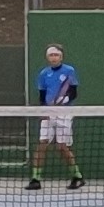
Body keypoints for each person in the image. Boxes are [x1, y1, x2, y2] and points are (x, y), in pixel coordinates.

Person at [28, 43, 83, 191]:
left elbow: (73, 92)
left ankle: (77, 176)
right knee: (42, 144)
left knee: (62, 147)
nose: (54, 58)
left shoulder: (69, 71)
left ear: (61, 57)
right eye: (51, 55)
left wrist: (65, 100)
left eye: (56, 55)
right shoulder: (43, 74)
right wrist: (43, 111)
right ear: (47, 57)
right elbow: (42, 96)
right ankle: (35, 179)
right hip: (48, 113)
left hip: (64, 113)